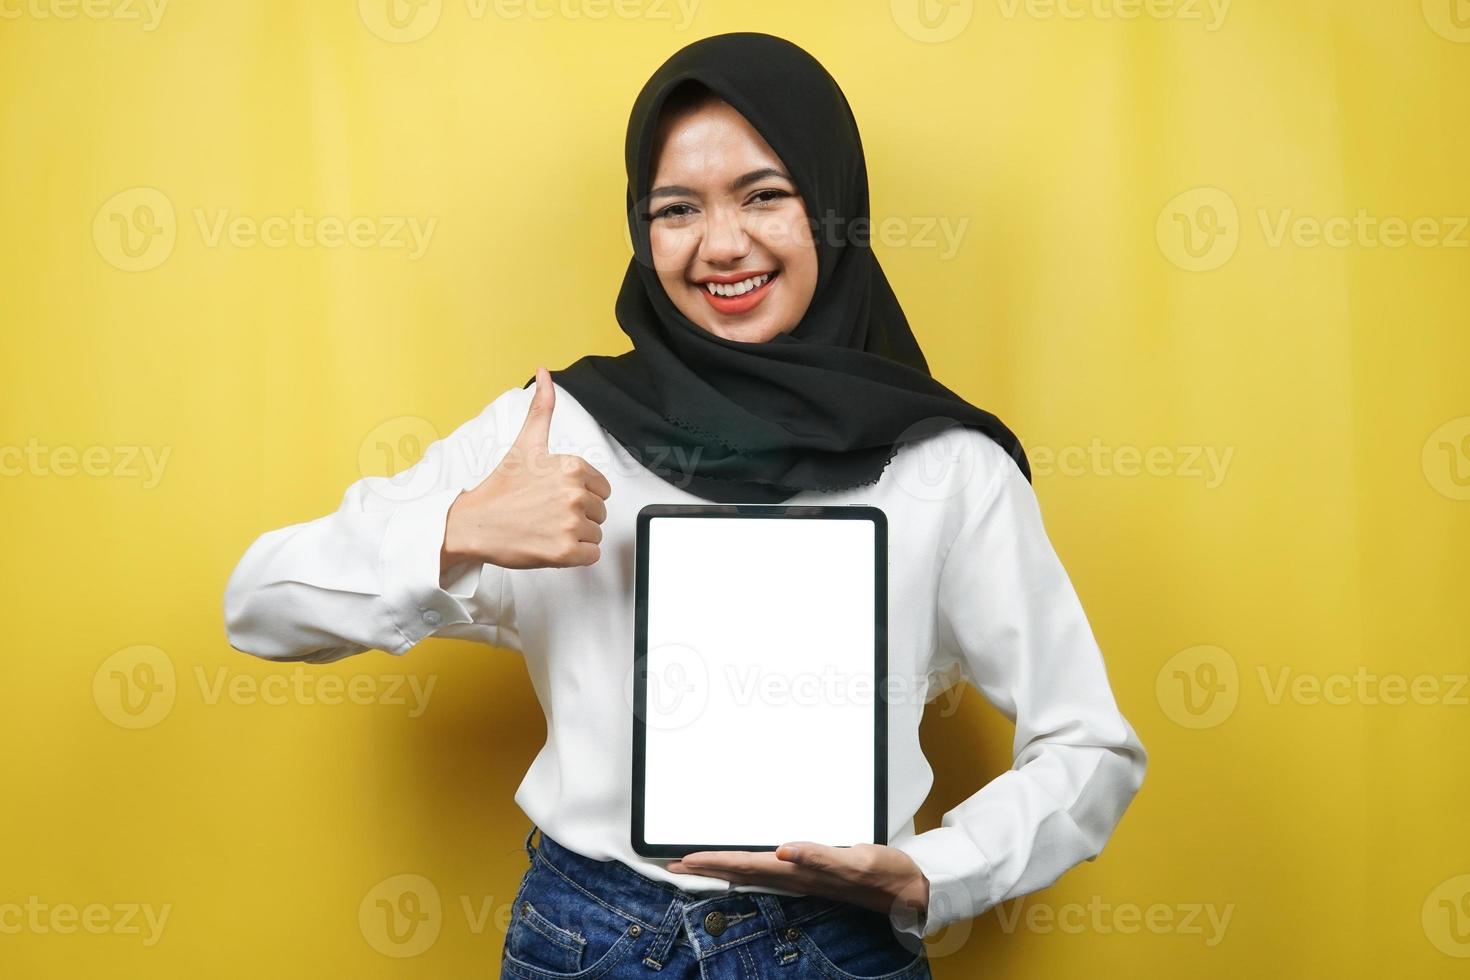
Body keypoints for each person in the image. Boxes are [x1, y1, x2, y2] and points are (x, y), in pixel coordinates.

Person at [224, 32, 1146, 980]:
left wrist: (930, 873)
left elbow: (1089, 744)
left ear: (831, 207)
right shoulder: (555, 432)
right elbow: (257, 605)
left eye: (764, 195)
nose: (722, 244)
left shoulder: (946, 465)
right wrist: (459, 531)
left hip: (837, 941)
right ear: (642, 228)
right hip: (591, 937)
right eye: (677, 208)